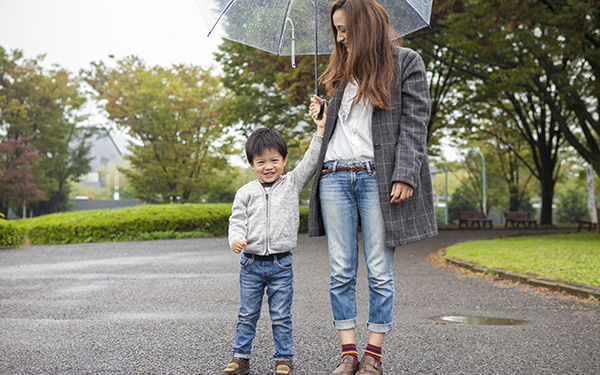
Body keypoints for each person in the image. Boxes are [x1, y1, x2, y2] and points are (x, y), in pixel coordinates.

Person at [306, 0, 438, 374]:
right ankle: (348, 354)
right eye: (336, 30)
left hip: (376, 176)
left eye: (346, 29)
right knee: (340, 271)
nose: (340, 37)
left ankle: (373, 357)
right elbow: (342, 128)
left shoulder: (406, 62)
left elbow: (416, 122)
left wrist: (405, 173)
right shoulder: (339, 70)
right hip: (333, 174)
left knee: (379, 269)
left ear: (366, 26)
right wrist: (323, 116)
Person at [222, 118, 325, 375]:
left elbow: (312, 160)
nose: (268, 167)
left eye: (274, 160)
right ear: (251, 164)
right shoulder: (245, 192)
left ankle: (284, 359)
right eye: (261, 162)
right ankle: (240, 357)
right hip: (250, 263)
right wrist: (235, 238)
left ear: (285, 159)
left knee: (281, 315)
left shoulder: (292, 184)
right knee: (247, 314)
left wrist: (320, 129)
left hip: (281, 263)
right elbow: (236, 221)